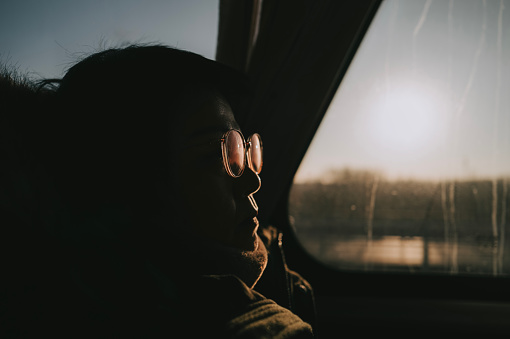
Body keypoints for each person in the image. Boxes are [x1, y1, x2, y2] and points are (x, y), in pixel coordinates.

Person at [1, 45, 315, 337]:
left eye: (242, 150)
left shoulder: (275, 274)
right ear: (128, 189)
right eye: (214, 155)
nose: (252, 180)